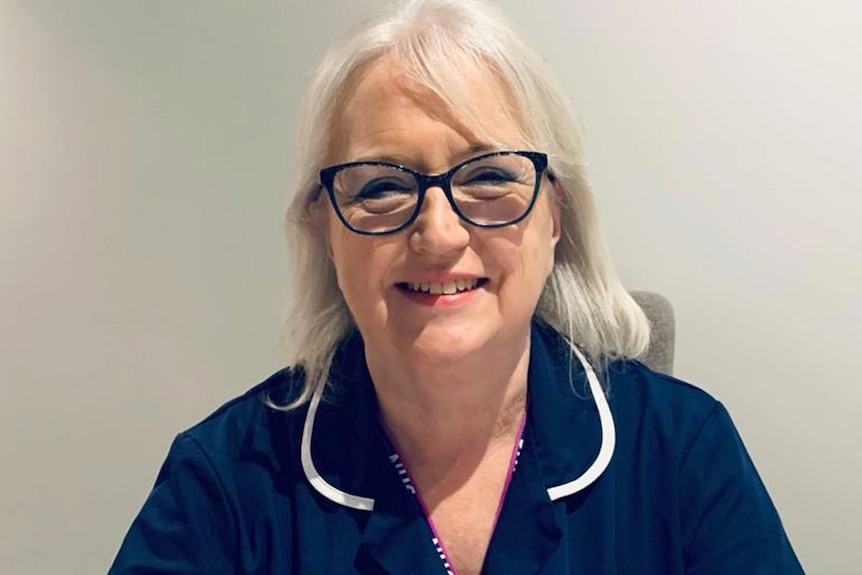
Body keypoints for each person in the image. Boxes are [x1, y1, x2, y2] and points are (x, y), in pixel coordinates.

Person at [109, 0, 805, 573]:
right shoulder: (225, 482)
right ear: (326, 230)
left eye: (490, 175)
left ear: (555, 214)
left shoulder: (682, 451)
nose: (439, 234)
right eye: (382, 185)